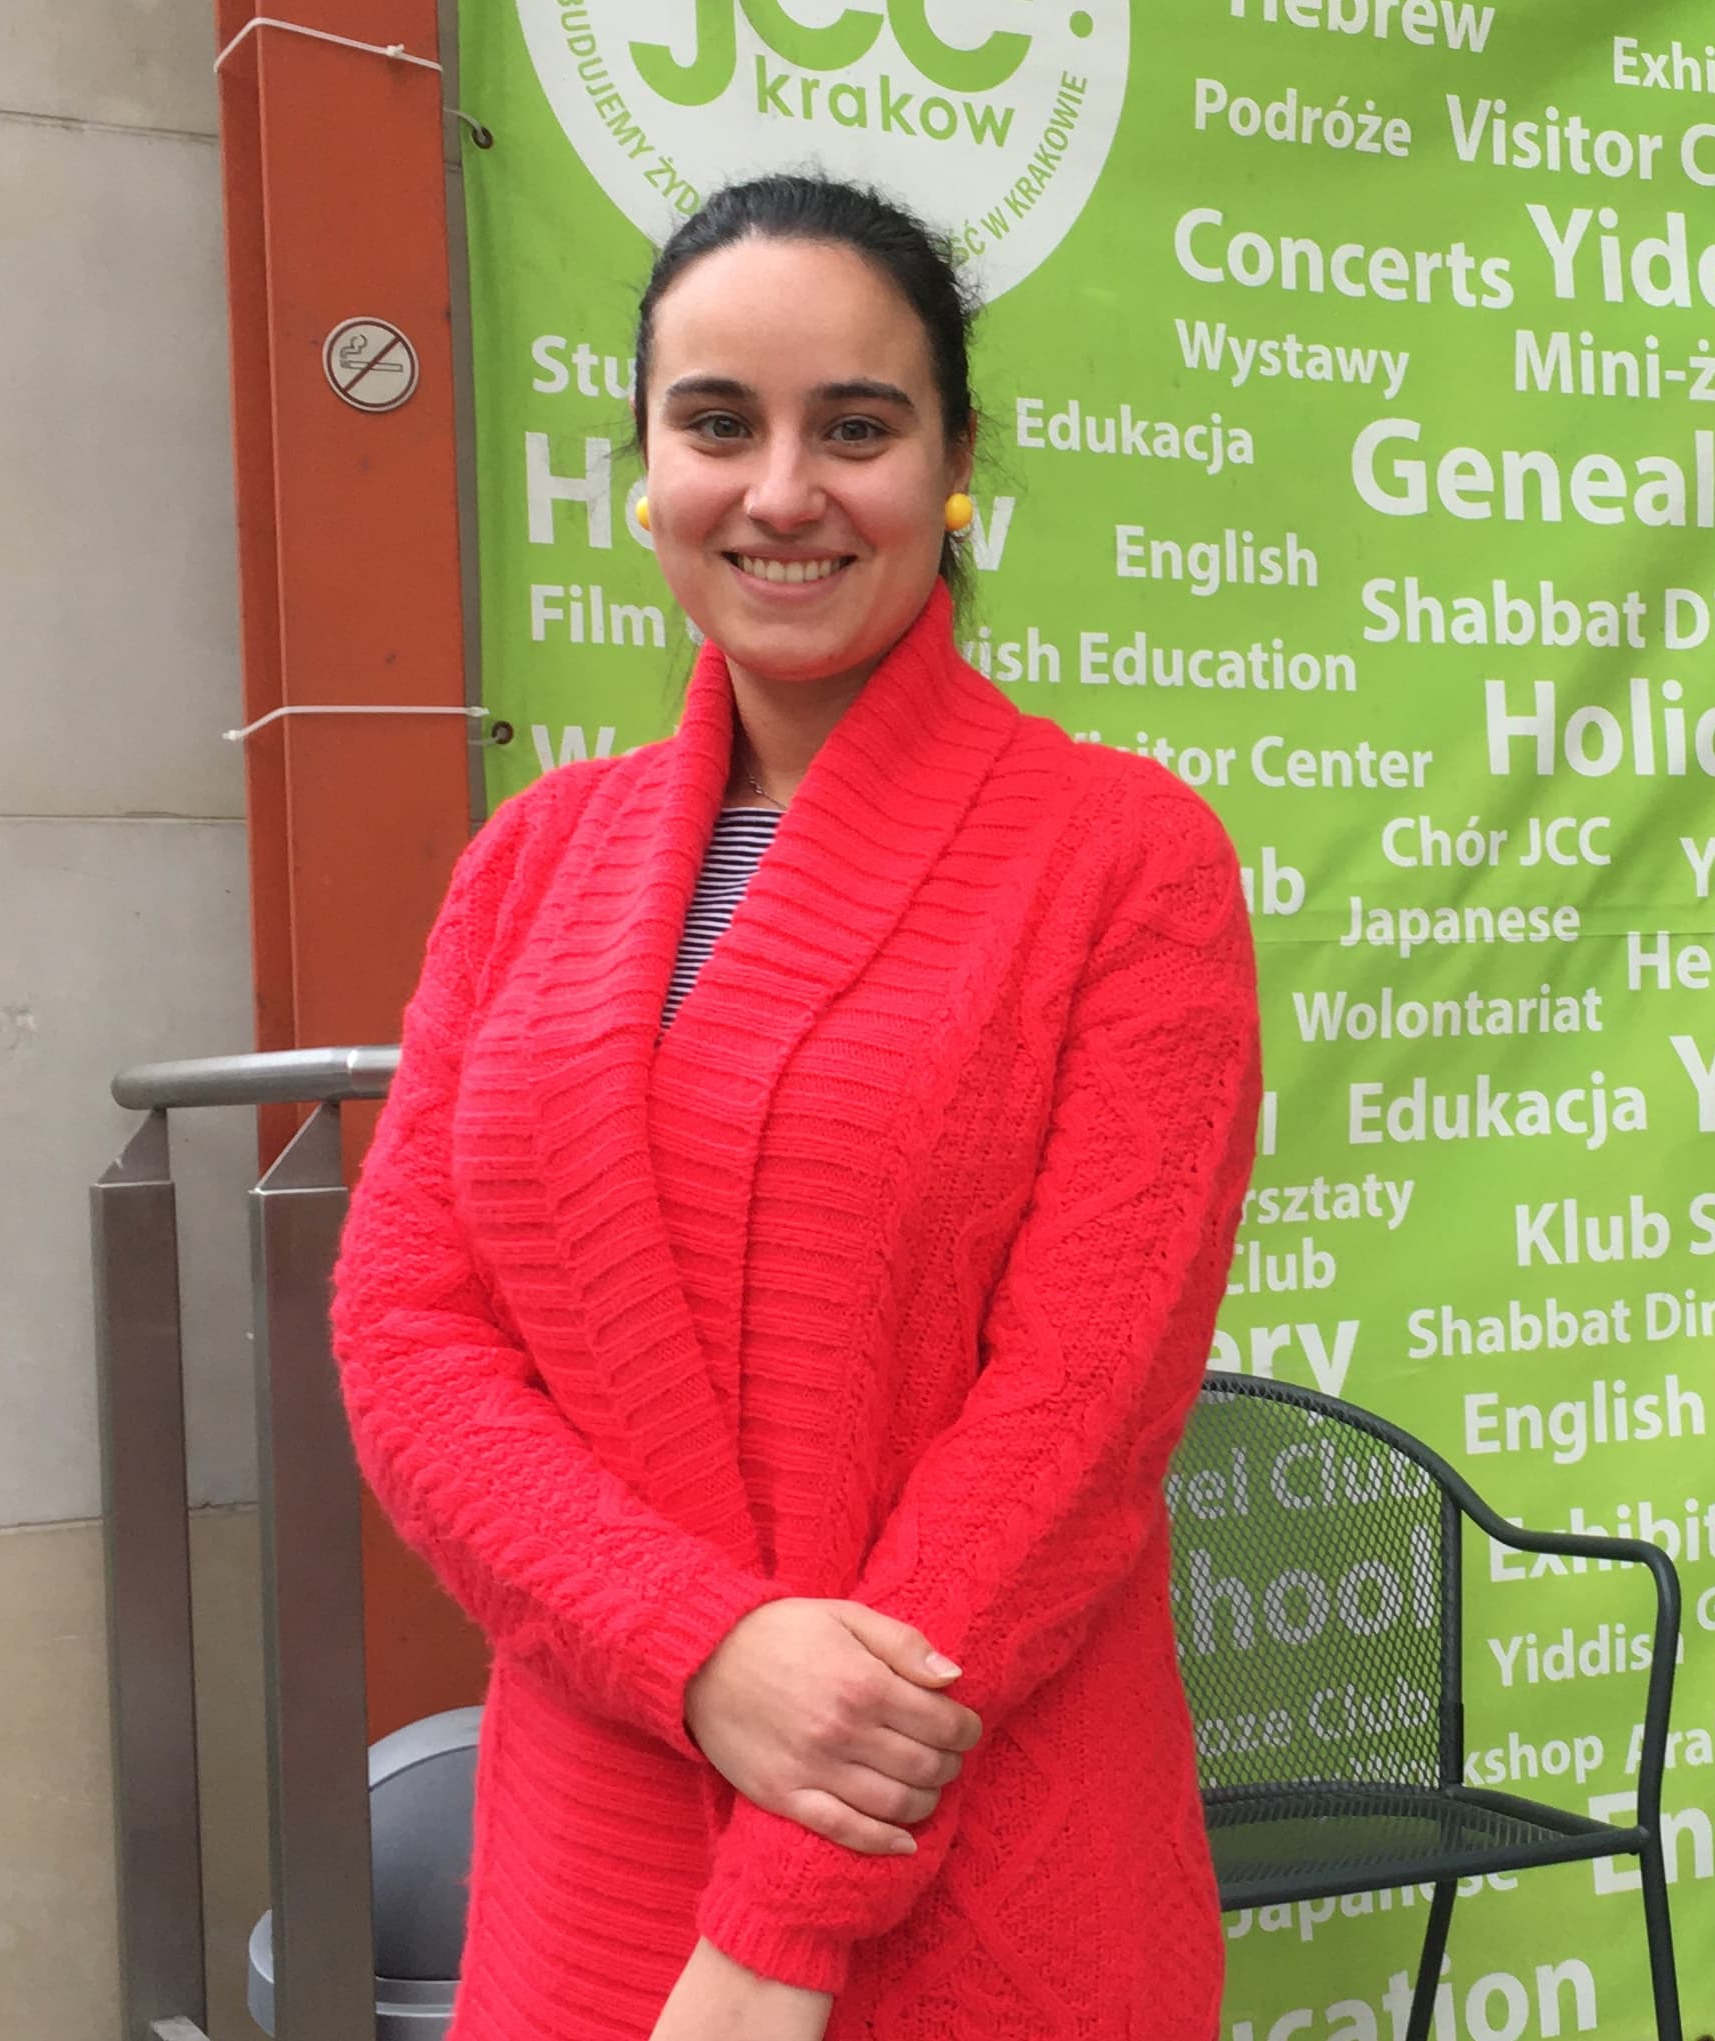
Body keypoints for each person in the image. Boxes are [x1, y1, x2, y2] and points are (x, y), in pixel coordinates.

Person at [329, 175, 1259, 2041]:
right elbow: (405, 1330)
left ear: (955, 462)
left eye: (854, 427)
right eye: (715, 423)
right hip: (592, 1850)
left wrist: (782, 1918)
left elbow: (1075, 1416)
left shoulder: (1121, 859)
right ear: (644, 466)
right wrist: (701, 1646)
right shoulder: (530, 863)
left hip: (969, 1871)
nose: (780, 491)